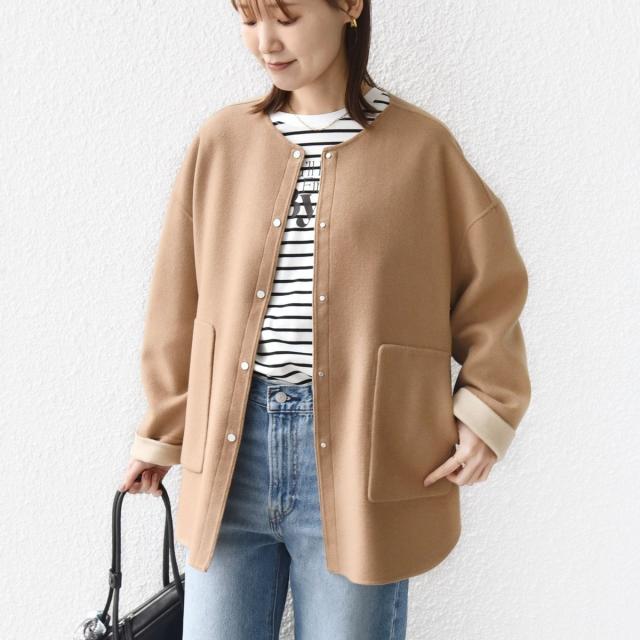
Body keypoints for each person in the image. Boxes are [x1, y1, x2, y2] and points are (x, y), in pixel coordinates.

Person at [120, 1, 531, 638]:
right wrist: (162, 433)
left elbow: (492, 287)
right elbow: (178, 302)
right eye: (249, 19)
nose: (265, 42)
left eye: (285, 17)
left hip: (363, 454)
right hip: (228, 454)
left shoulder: (423, 150)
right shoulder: (221, 143)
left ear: (349, 8)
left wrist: (486, 410)